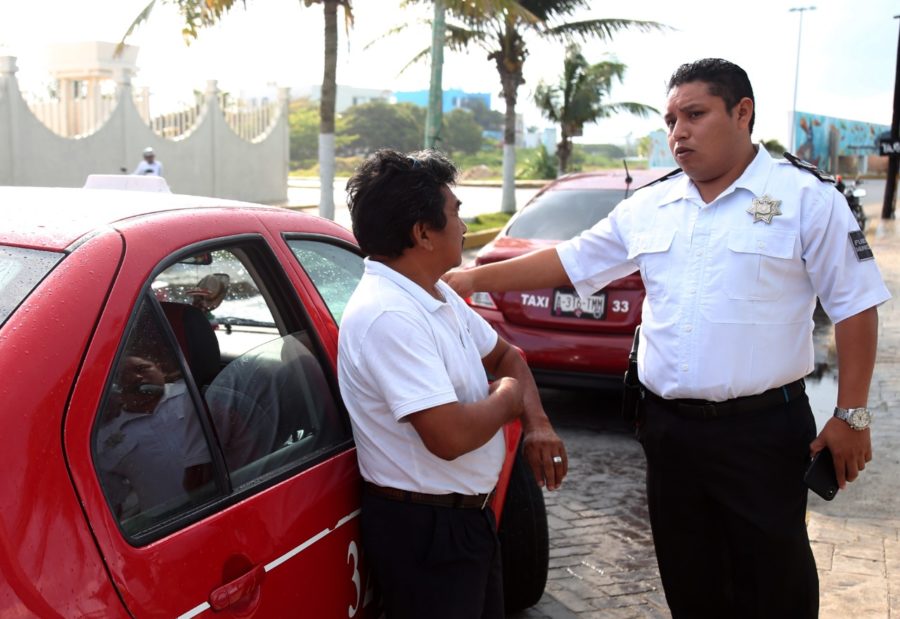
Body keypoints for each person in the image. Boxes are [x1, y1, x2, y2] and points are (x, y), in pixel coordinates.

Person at [443, 58, 891, 618]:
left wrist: (852, 414)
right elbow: (572, 259)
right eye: (671, 119)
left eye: (695, 114)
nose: (678, 132)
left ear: (742, 113)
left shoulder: (804, 198)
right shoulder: (652, 204)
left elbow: (855, 304)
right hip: (670, 432)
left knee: (775, 582)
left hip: (762, 434)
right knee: (689, 579)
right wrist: (469, 277)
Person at [338, 149, 568, 619]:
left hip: (465, 518)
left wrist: (538, 423)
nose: (462, 227)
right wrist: (508, 399)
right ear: (423, 233)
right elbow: (450, 437)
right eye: (455, 213)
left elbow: (507, 356)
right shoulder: (389, 314)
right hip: (426, 532)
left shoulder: (434, 291)